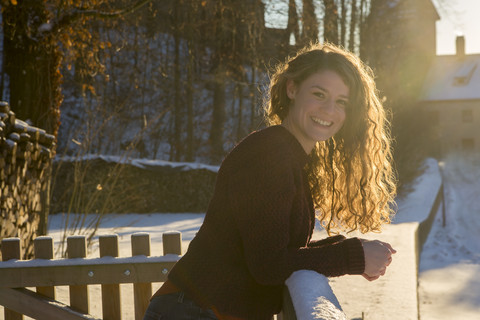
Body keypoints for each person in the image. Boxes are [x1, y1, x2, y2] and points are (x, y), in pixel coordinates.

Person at [143, 42, 397, 320]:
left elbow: (270, 248)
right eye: (319, 94)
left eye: (341, 102)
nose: (329, 110)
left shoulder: (286, 155)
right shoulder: (268, 156)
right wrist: (353, 256)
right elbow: (269, 265)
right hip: (193, 311)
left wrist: (352, 251)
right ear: (292, 89)